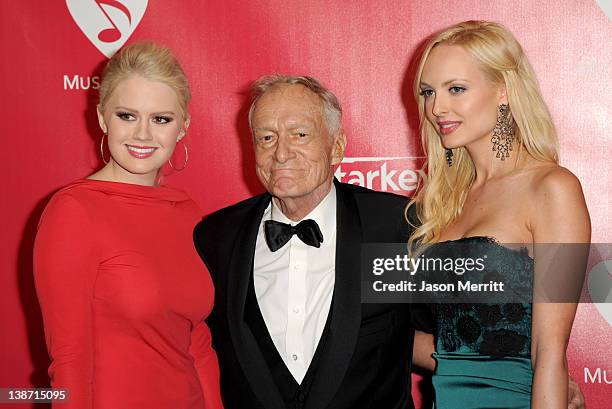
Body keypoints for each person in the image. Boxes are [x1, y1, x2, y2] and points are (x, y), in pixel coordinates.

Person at [193, 75, 434, 409]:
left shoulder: (393, 227)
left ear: (336, 146)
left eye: (300, 134)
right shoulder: (217, 237)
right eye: (266, 137)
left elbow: (457, 341)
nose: (281, 153)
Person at [408, 21, 591, 408]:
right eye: (428, 92)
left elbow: (549, 354)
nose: (436, 107)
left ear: (504, 91)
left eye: (456, 88)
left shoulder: (551, 189)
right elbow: (450, 341)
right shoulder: (444, 203)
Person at [34, 42, 223, 409]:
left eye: (161, 119)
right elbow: (69, 362)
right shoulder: (73, 211)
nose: (142, 135)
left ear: (183, 126)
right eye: (127, 115)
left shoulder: (187, 211)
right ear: (103, 118)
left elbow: (197, 342)